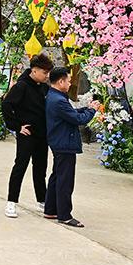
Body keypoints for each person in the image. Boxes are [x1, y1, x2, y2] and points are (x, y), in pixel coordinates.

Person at [43, 67, 101, 228]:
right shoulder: (59, 100)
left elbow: (71, 113)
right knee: (65, 180)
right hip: (64, 143)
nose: (69, 84)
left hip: (59, 141)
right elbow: (78, 119)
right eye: (68, 81)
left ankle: (51, 209)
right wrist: (92, 111)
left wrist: (87, 108)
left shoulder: (55, 97)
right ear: (60, 81)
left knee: (57, 176)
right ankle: (64, 215)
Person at [1, 53, 53, 218]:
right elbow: (7, 105)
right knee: (20, 166)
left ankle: (42, 200)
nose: (47, 76)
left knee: (40, 168)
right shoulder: (21, 86)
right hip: (27, 133)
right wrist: (17, 126)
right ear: (35, 70)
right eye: (44, 73)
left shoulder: (44, 87)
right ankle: (11, 202)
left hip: (42, 134)